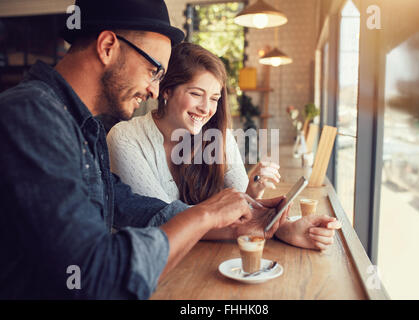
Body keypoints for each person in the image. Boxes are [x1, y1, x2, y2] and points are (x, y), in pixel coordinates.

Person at [0, 0, 289, 299]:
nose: (154, 90)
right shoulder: (30, 116)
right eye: (153, 70)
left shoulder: (86, 128)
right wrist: (203, 215)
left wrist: (247, 225)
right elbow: (95, 275)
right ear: (108, 46)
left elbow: (136, 209)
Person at [106, 42, 341, 246]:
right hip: (146, 271)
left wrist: (281, 221)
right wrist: (276, 227)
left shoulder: (219, 136)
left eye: (215, 98)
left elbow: (242, 209)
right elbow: (164, 220)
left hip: (200, 262)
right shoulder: (125, 138)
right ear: (166, 91)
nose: (206, 108)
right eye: (196, 94)